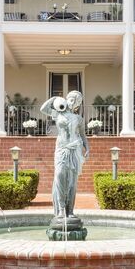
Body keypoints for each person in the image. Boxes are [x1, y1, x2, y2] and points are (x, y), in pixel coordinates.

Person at [41, 91, 89, 219]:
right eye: (71, 98)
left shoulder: (79, 119)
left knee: (72, 182)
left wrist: (87, 148)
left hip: (75, 149)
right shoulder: (57, 114)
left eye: (76, 101)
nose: (73, 101)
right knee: (59, 176)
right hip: (61, 149)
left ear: (78, 105)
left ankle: (70, 210)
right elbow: (43, 108)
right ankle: (61, 208)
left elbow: (83, 135)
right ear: (67, 99)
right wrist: (55, 99)